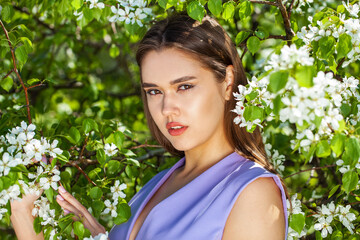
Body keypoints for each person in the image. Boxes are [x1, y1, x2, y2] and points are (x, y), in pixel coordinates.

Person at [11, 14, 289, 240]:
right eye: (154, 91)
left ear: (228, 81)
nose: (167, 108)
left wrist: (26, 227)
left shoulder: (253, 193)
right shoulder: (156, 185)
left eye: (184, 86)